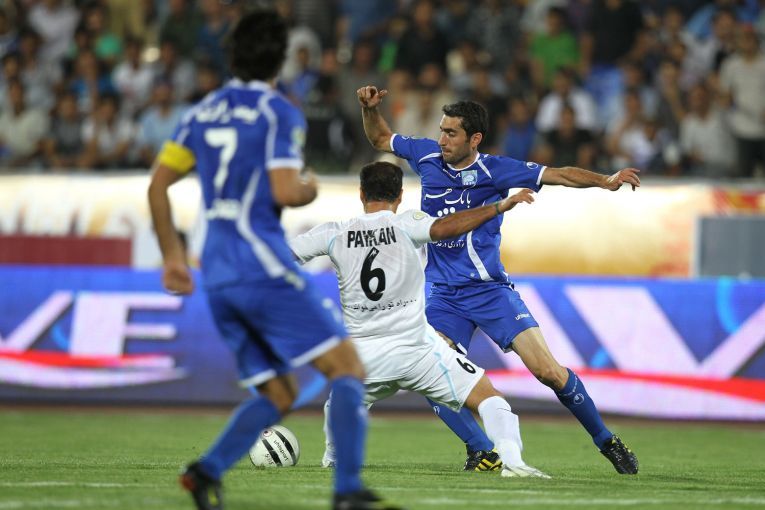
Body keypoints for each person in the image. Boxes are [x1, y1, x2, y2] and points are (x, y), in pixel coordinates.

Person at [147, 11, 399, 510]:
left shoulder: (202, 112)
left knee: (279, 393)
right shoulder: (277, 111)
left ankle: (205, 472)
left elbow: (157, 186)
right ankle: (348, 491)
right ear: (280, 60)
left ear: (231, 56)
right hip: (259, 264)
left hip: (216, 273)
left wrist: (173, 256)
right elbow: (285, 189)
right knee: (347, 367)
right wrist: (308, 188)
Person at [357, 84, 641, 475]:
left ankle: (606, 440)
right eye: (441, 131)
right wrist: (370, 110)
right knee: (433, 373)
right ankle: (480, 450)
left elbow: (558, 174)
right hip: (443, 294)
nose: (442, 140)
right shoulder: (426, 155)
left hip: (490, 291)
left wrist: (605, 179)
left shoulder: (495, 170)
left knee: (548, 371)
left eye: (451, 133)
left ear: (474, 138)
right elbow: (381, 138)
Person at [290, 161, 549, 479]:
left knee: (339, 403)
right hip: (418, 351)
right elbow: (446, 227)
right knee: (489, 398)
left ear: (361, 194)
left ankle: (334, 458)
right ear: (400, 195)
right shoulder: (407, 223)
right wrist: (496, 207)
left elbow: (281, 255)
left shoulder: (334, 233)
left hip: (363, 359)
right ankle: (514, 463)